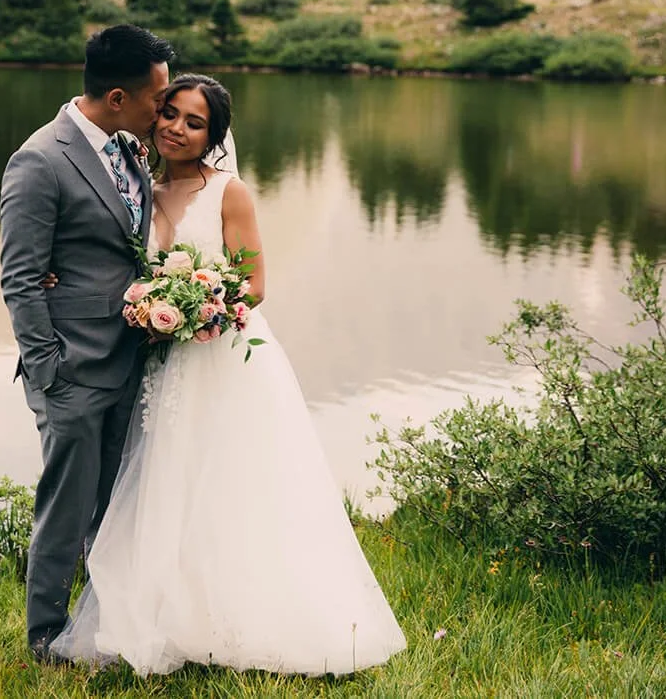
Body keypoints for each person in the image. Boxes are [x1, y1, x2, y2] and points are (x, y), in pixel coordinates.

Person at [49, 73, 407, 676]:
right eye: (171, 116)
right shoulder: (140, 187)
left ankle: (253, 621)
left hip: (225, 357)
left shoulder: (229, 193)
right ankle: (171, 621)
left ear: (214, 135)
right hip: (161, 363)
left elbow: (254, 285)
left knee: (233, 483)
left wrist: (195, 311)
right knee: (166, 481)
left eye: (195, 123)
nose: (177, 130)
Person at [0, 24, 175, 664]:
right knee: (66, 508)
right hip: (71, 371)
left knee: (116, 505)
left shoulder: (129, 149)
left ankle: (103, 625)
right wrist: (50, 372)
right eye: (159, 96)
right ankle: (45, 635)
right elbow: (20, 279)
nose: (168, 106)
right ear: (120, 96)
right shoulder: (40, 160)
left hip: (130, 360)